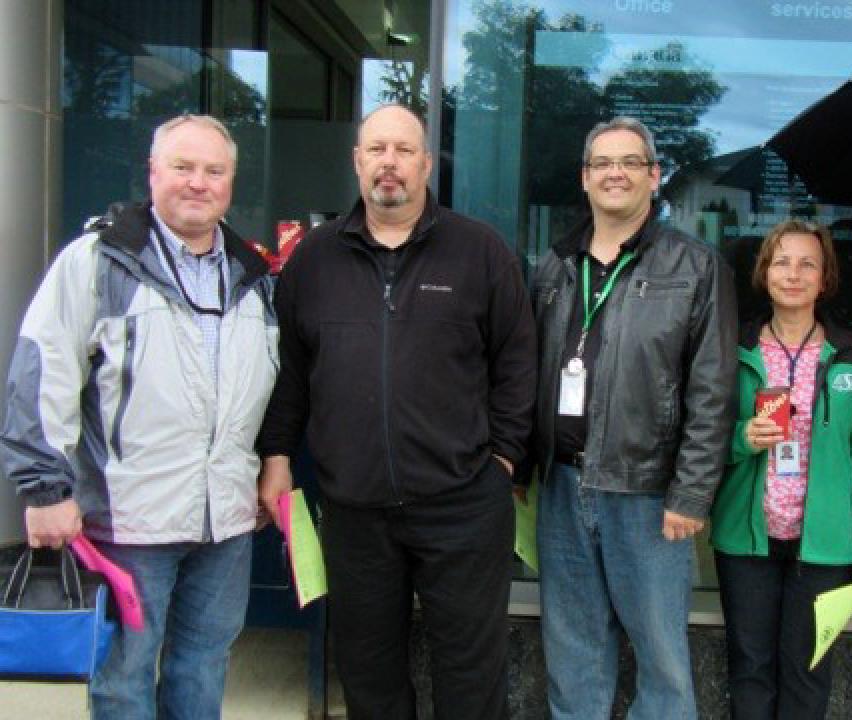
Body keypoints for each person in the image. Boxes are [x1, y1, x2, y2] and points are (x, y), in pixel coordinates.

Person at [255, 104, 536, 720]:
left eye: (404, 151)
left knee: (470, 674)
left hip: (462, 505)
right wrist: (276, 455)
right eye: (376, 149)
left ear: (426, 164)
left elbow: (518, 363)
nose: (390, 163)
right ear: (357, 162)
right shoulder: (316, 259)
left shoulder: (479, 251)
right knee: (368, 673)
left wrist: (504, 461)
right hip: (355, 512)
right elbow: (293, 371)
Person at [0, 115, 277, 719]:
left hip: (225, 522)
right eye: (182, 167)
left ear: (231, 181)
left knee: (203, 666)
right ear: (153, 173)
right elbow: (42, 373)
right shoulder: (99, 261)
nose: (198, 183)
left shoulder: (251, 278)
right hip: (128, 522)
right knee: (124, 675)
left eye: (214, 170)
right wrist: (44, 488)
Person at [530, 116, 737, 719]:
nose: (614, 173)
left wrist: (693, 492)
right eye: (602, 163)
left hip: (649, 495)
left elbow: (713, 388)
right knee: (572, 653)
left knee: (662, 659)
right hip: (562, 486)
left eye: (630, 162)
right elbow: (526, 373)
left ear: (653, 176)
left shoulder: (696, 267)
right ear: (585, 178)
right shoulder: (555, 267)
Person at [710, 220, 852, 719]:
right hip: (746, 540)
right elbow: (699, 440)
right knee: (748, 668)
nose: (793, 273)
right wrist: (740, 438)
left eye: (807, 263)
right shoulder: (732, 350)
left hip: (826, 544)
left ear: (825, 278)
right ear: (764, 272)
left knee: (809, 671)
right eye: (781, 261)